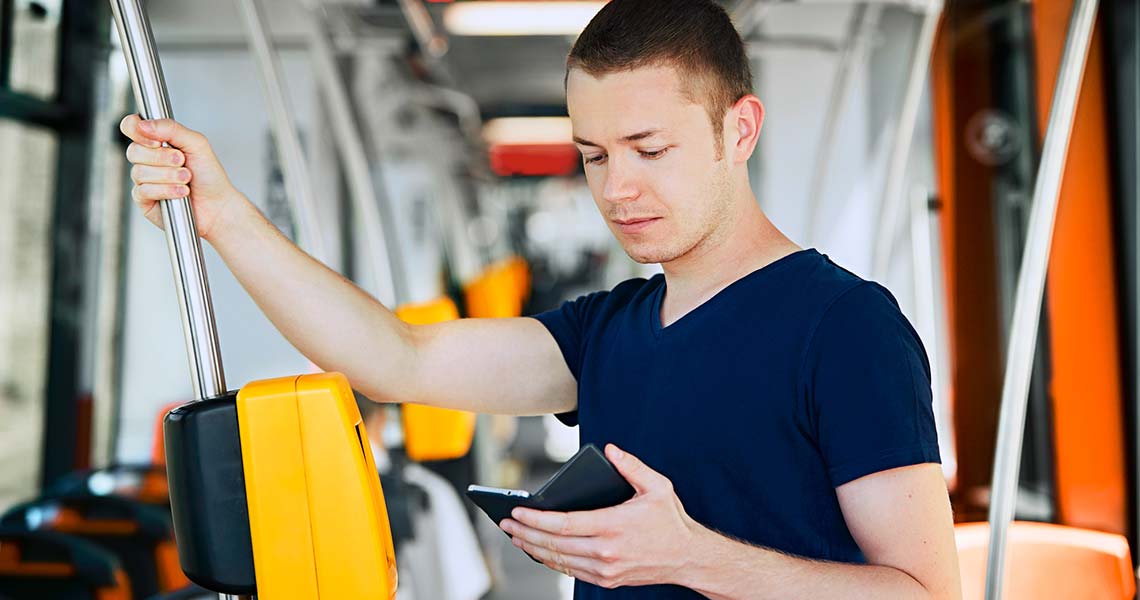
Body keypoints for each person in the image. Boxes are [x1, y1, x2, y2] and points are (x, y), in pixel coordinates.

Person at [119, 0, 961, 597]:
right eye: (594, 156)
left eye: (649, 147)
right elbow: (393, 356)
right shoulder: (607, 331)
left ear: (738, 130)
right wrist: (222, 218)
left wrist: (691, 557)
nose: (618, 187)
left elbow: (926, 595)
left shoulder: (847, 328)